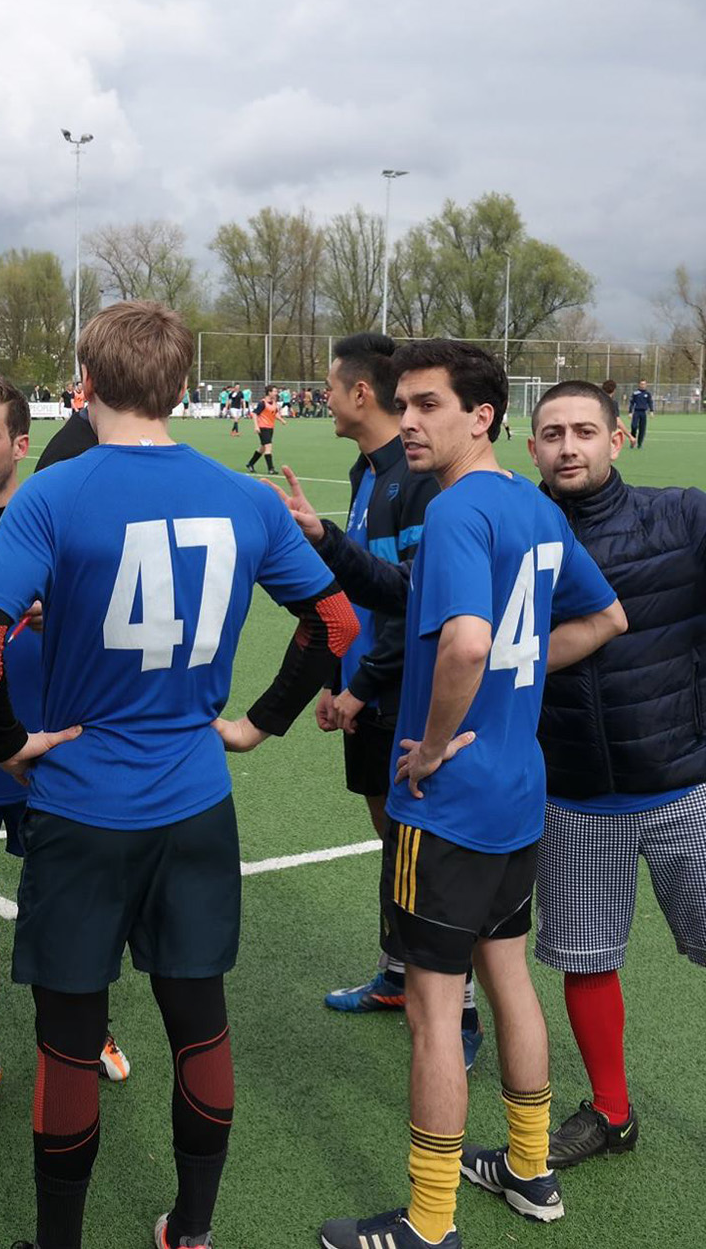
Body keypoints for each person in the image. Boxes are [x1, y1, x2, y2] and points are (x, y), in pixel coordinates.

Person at [0, 300, 357, 1249]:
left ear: (85, 385)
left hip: (81, 804)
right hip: (195, 804)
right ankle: (194, 1231)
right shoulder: (246, 498)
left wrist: (7, 744)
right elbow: (336, 622)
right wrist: (257, 723)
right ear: (182, 386)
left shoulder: (54, 492)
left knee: (67, 1041)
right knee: (199, 1024)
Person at [312, 340, 627, 1249]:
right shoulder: (535, 506)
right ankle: (530, 1169)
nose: (407, 421)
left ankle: (429, 1221)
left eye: (427, 405)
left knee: (433, 1012)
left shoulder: (455, 509)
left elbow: (466, 643)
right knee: (509, 977)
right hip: (517, 789)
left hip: (449, 802)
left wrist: (436, 741)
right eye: (403, 403)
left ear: (481, 416)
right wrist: (510, 685)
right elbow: (605, 616)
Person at [515, 382, 706, 1222]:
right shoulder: (518, 529)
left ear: (617, 439)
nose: (569, 446)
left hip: (688, 782)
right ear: (530, 445)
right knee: (587, 958)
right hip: (573, 792)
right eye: (553, 433)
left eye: (585, 430)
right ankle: (611, 1111)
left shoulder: (680, 515)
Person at [0, 374, 135, 1124]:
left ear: (22, 445)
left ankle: (87, 1025)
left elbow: (122, 638)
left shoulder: (60, 531)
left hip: (54, 756)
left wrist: (67, 615)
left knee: (75, 904)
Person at [295, 335, 450, 1029]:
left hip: (400, 698)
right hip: (365, 691)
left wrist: (363, 686)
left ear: (361, 393)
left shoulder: (415, 479)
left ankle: (453, 1005)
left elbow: (414, 603)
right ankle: (397, 972)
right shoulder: (366, 473)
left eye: (330, 386)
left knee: (418, 851)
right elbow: (351, 591)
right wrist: (337, 678)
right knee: (393, 843)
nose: (323, 397)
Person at [242, 384, 281, 475]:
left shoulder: (274, 402)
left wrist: (281, 420)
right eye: (274, 391)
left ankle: (250, 464)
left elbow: (274, 413)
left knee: (262, 448)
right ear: (269, 392)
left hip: (270, 427)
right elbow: (254, 414)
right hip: (263, 427)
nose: (276, 393)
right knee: (268, 447)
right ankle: (271, 469)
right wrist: (256, 426)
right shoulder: (262, 403)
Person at [627, 379, 652, 449]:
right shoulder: (635, 393)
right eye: (641, 384)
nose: (643, 385)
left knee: (642, 429)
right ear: (639, 385)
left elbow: (650, 402)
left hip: (643, 413)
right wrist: (630, 412)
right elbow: (632, 403)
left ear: (646, 385)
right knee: (634, 426)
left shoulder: (648, 394)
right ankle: (633, 441)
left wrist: (651, 411)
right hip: (636, 412)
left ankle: (640, 444)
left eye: (644, 384)